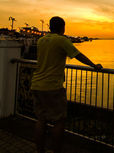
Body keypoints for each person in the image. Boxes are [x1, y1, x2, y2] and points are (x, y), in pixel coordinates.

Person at [31, 16, 102, 153]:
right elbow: (78, 55)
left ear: (50, 27)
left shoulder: (41, 40)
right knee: (59, 120)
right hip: (52, 87)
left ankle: (40, 151)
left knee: (41, 119)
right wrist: (93, 65)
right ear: (62, 27)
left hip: (36, 84)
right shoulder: (62, 40)